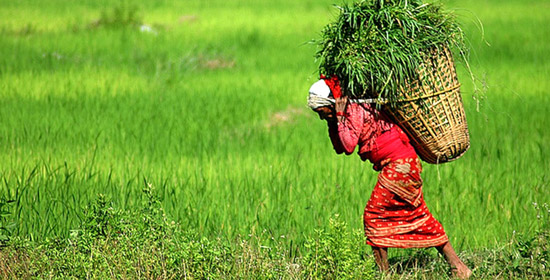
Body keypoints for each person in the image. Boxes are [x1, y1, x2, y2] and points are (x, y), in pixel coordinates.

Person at [308, 76, 472, 279]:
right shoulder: (343, 112)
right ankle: (459, 267)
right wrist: (333, 121)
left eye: (321, 112)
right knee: (417, 214)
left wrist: (340, 115)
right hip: (401, 164)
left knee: (373, 215)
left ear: (331, 103)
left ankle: (384, 275)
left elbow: (349, 146)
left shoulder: (355, 109)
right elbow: (340, 147)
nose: (321, 117)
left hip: (400, 164)